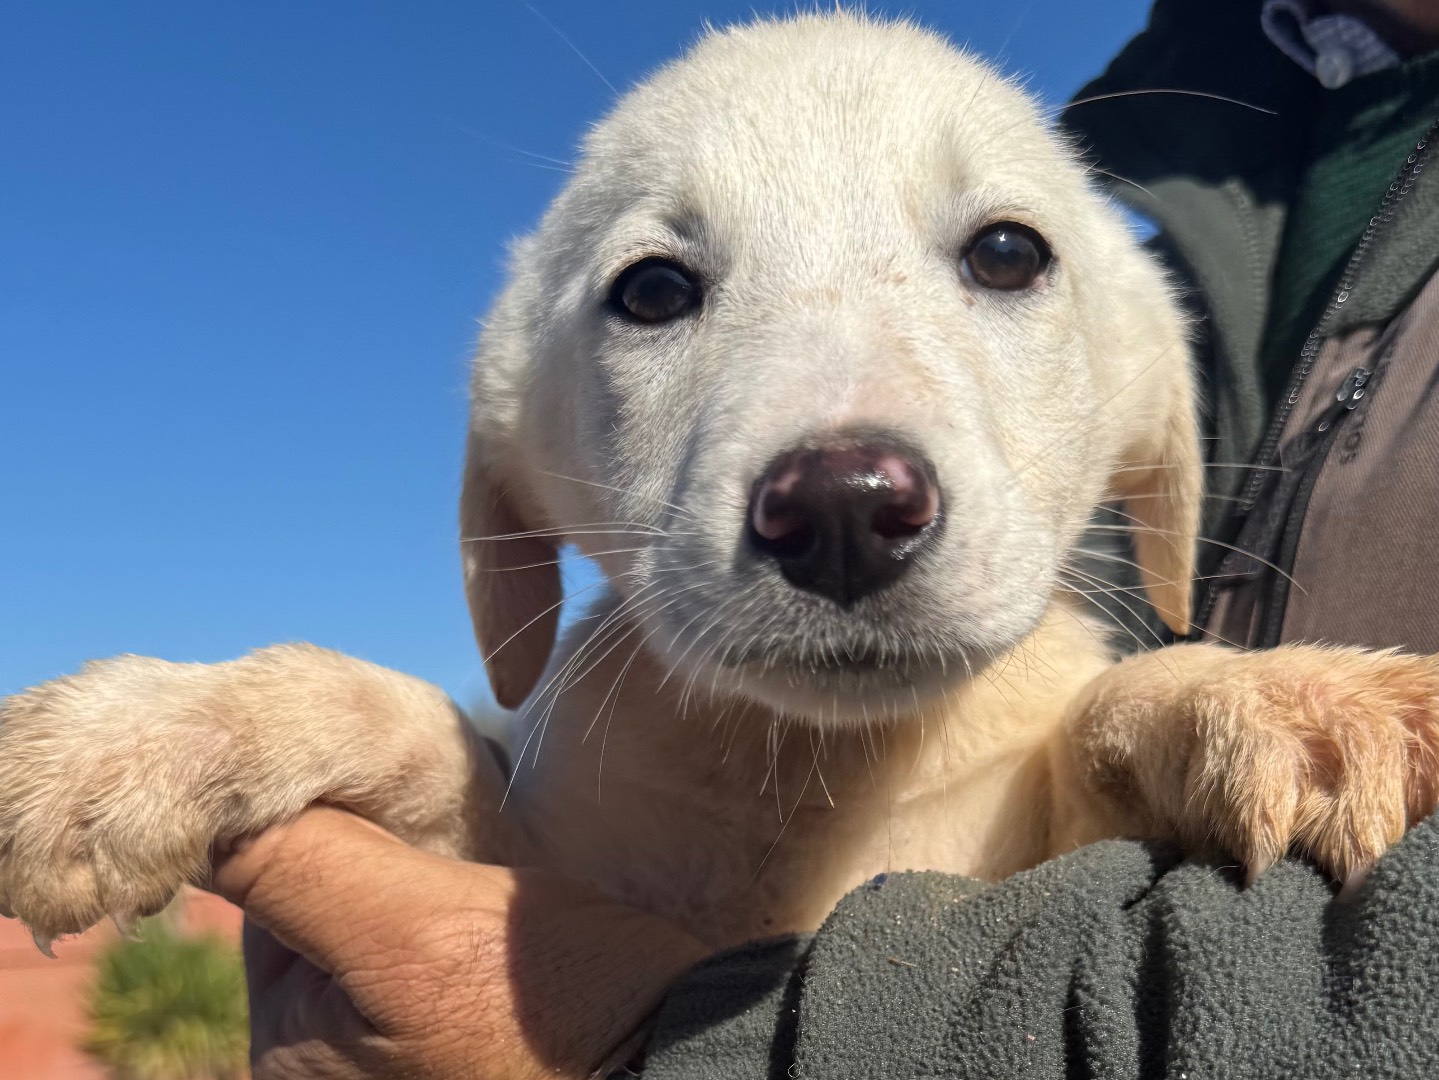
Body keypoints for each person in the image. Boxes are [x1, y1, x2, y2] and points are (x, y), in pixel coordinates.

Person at [217, 1, 1439, 1076]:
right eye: (656, 291)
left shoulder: (1131, 244)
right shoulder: (1182, 140)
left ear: (1145, 420)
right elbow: (481, 898)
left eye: (998, 258)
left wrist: (1159, 710)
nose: (845, 485)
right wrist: (366, 740)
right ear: (517, 460)